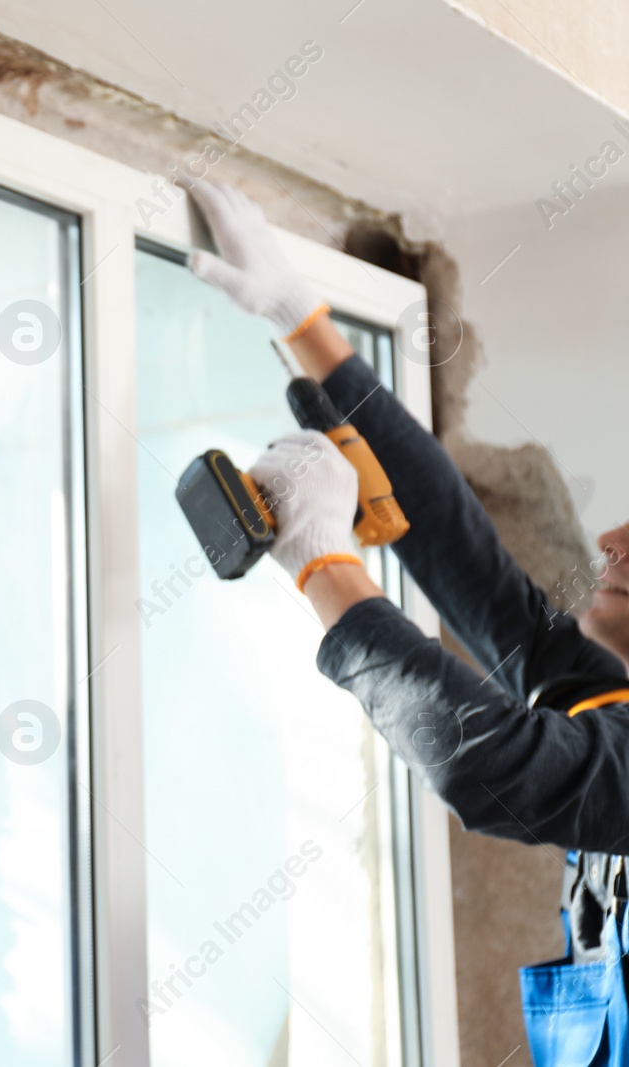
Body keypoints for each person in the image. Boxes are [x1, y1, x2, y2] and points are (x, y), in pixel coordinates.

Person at [187, 178, 629, 1059]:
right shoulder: (607, 702)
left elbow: (492, 763)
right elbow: (468, 564)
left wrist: (323, 563)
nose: (612, 537)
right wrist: (303, 320)